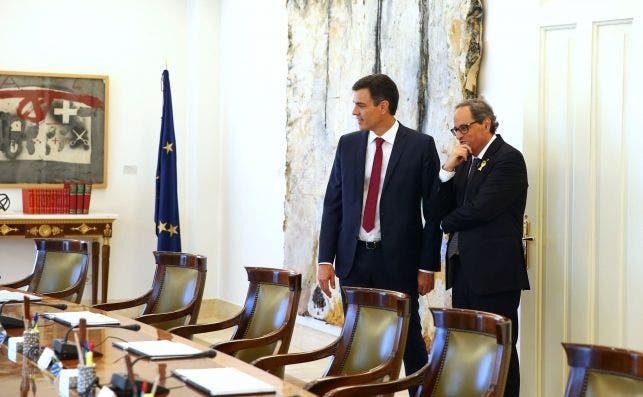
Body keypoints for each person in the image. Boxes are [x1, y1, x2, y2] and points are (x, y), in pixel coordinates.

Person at [317, 74, 442, 391]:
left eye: (360, 104)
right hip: (354, 259)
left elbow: (434, 211)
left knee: (410, 338)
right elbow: (334, 204)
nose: (354, 111)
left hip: (398, 262)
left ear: (383, 106)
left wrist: (427, 267)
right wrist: (324, 259)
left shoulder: (420, 146)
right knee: (358, 337)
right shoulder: (348, 144)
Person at [435, 98, 530, 397]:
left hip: (495, 275)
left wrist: (444, 223)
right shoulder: (465, 162)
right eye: (456, 129)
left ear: (486, 124)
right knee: (469, 346)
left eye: (465, 127)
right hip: (463, 271)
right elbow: (437, 207)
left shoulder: (508, 159)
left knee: (499, 349)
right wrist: (447, 170)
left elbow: (480, 210)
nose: (459, 135)